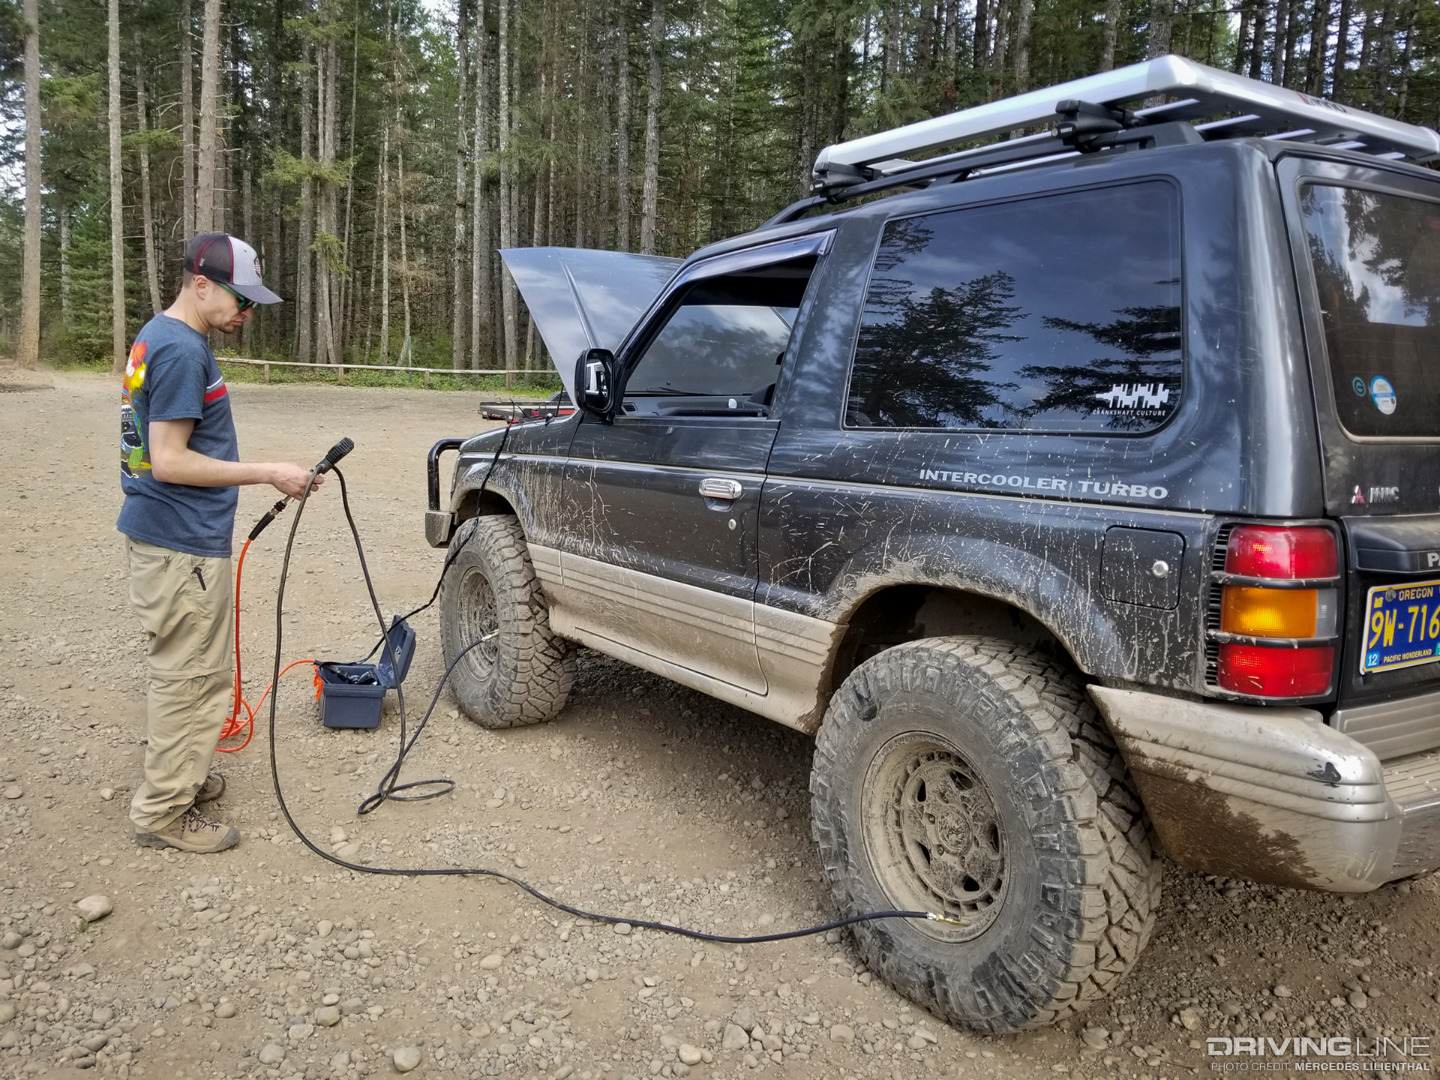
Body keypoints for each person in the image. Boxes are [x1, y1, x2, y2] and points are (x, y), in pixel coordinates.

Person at [118, 234, 321, 853]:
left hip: (166, 537)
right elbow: (170, 461)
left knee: (187, 672)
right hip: (181, 544)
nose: (247, 313)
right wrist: (269, 472)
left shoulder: (162, 333)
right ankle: (163, 812)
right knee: (193, 679)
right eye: (241, 299)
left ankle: (182, 776)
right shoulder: (182, 351)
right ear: (200, 283)